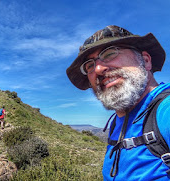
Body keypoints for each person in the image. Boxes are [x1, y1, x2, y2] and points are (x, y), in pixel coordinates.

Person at [66, 25, 170, 180]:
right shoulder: (116, 122)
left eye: (109, 53)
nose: (99, 69)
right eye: (89, 65)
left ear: (146, 60)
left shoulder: (165, 110)